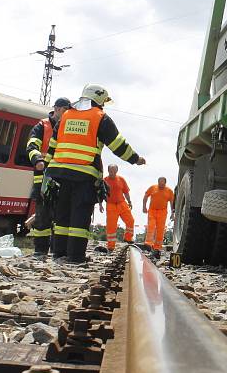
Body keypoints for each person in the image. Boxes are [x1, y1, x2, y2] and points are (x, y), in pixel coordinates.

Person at [43, 84, 145, 263]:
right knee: (80, 215)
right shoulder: (100, 117)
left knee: (63, 214)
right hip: (84, 174)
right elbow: (118, 145)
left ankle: (59, 253)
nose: (104, 106)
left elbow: (53, 144)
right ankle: (75, 256)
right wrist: (135, 159)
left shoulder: (66, 115)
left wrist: (47, 169)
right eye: (103, 101)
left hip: (60, 173)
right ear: (98, 99)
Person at [26, 97, 71, 258]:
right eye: (66, 110)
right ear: (57, 109)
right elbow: (31, 145)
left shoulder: (67, 126)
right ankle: (40, 250)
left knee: (59, 217)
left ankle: (57, 251)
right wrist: (38, 160)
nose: (67, 114)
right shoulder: (42, 126)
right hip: (43, 178)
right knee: (42, 217)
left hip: (60, 177)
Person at [100, 164, 134, 251]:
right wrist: (100, 205)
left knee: (130, 220)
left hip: (122, 203)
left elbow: (126, 192)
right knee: (111, 227)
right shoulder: (104, 180)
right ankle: (111, 246)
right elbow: (101, 194)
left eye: (114, 171)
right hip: (111, 205)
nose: (113, 173)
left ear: (117, 171)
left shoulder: (121, 179)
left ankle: (128, 238)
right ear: (108, 171)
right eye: (111, 171)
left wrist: (129, 201)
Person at [142, 177, 175, 257]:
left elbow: (171, 202)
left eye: (162, 184)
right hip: (152, 211)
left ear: (165, 183)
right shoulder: (152, 188)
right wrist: (144, 207)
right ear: (158, 182)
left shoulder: (169, 191)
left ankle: (157, 248)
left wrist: (172, 213)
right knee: (151, 226)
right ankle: (148, 244)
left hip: (162, 212)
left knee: (160, 230)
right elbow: (146, 196)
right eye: (159, 183)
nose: (160, 185)